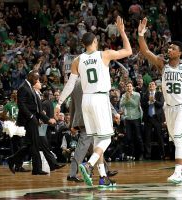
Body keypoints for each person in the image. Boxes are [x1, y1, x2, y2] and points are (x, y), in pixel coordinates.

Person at [55, 15, 132, 187]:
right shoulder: (104, 54)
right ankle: (88, 164)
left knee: (97, 140)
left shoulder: (77, 60)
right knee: (107, 140)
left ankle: (103, 177)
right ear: (95, 41)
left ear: (83, 44)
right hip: (99, 99)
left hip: (86, 101)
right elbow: (128, 51)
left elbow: (69, 85)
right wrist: (122, 32)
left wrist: (59, 103)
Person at [138, 17, 182, 184]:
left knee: (178, 138)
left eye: (173, 48)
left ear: (179, 53)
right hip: (169, 107)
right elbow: (145, 51)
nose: (169, 49)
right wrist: (141, 34)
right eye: (169, 47)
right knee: (177, 140)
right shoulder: (162, 64)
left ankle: (177, 172)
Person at [67, 78, 119, 182]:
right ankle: (72, 173)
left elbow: (72, 105)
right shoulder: (91, 80)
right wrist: (114, 113)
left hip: (81, 118)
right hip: (91, 116)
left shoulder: (75, 83)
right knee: (85, 147)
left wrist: (72, 123)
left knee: (95, 146)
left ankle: (105, 171)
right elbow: (102, 98)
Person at [6, 70, 56, 175]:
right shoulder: (23, 87)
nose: (38, 81)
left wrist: (46, 119)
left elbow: (37, 109)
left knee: (31, 145)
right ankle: (40, 167)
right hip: (28, 121)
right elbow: (21, 105)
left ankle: (15, 160)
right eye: (36, 79)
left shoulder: (30, 88)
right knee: (35, 144)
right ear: (30, 77)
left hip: (34, 121)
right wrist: (32, 116)